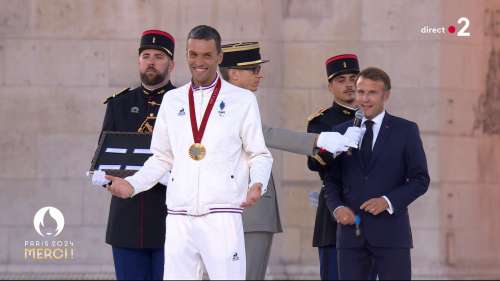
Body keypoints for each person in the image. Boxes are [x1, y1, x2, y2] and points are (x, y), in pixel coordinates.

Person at [104, 25, 273, 280]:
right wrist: (132, 185)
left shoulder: (242, 100)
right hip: (179, 219)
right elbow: (161, 157)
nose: (199, 62)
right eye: (193, 54)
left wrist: (257, 182)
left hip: (222, 215)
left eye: (206, 55)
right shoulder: (173, 101)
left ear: (219, 57)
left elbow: (259, 153)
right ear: (186, 55)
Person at [218, 42, 364, 280]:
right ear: (234, 73)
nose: (260, 74)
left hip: (247, 210)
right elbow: (267, 134)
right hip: (242, 209)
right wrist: (322, 140)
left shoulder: (239, 101)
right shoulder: (225, 103)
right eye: (253, 69)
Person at [324, 67, 430, 280]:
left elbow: (420, 179)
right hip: (351, 238)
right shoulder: (339, 132)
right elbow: (331, 181)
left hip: (392, 235)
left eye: (372, 93)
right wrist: (337, 208)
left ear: (386, 95)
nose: (365, 99)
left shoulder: (406, 130)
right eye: (361, 92)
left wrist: (387, 201)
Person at [96, 29, 176, 280]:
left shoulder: (184, 103)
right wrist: (105, 179)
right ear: (139, 61)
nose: (151, 61)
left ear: (171, 64)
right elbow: (103, 161)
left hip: (170, 220)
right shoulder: (118, 104)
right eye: (146, 55)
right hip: (126, 222)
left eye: (159, 56)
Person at [308, 54, 373, 280]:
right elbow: (313, 162)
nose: (348, 84)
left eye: (353, 78)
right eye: (341, 79)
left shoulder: (375, 117)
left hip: (370, 210)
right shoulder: (322, 121)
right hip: (335, 208)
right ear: (330, 86)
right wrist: (339, 142)